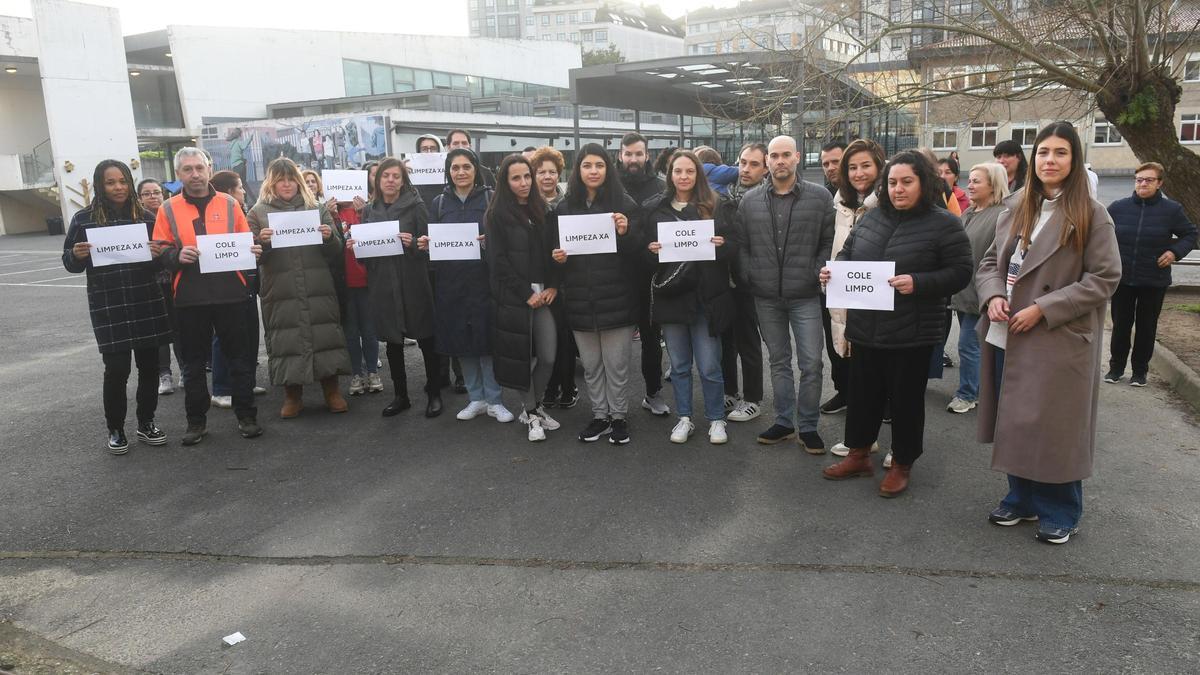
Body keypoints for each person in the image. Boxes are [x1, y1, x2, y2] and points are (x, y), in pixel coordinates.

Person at [976, 121, 1122, 544]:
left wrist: (1044, 307)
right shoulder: (1018, 206)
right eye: (1043, 152)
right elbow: (989, 264)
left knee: (1055, 427)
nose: (1050, 160)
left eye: (1060, 152)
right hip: (1008, 332)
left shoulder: (1092, 214)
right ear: (1031, 158)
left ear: (1074, 160)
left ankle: (1061, 509)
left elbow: (1105, 277)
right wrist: (991, 298)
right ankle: (1020, 498)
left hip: (1056, 337)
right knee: (1016, 419)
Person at [819, 150, 972, 496]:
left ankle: (902, 463)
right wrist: (834, 271)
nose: (898, 189)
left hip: (912, 331)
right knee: (862, 396)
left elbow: (961, 272)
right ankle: (858, 454)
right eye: (892, 182)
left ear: (923, 183)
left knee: (905, 402)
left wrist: (918, 282)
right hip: (867, 328)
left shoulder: (944, 223)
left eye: (907, 182)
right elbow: (847, 254)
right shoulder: (871, 218)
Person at [153, 147, 263, 445]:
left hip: (231, 294)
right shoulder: (168, 208)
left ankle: (246, 415)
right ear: (179, 174)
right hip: (190, 297)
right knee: (192, 364)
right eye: (187, 169)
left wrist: (254, 249)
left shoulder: (229, 203)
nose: (195, 174)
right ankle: (196, 422)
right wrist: (176, 255)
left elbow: (246, 241)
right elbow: (159, 248)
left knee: (240, 360)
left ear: (209, 168)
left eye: (199, 168)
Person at [64, 160, 172, 454]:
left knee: (149, 367)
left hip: (145, 301)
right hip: (108, 305)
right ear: (100, 185)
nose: (118, 187)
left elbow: (163, 261)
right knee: (116, 370)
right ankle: (115, 428)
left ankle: (146, 422)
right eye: (111, 182)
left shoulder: (147, 217)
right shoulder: (84, 220)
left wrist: (157, 254)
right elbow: (70, 262)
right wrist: (76, 254)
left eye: (123, 181)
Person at [735, 135, 834, 453]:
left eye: (785, 155)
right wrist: (751, 274)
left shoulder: (819, 198)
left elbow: (827, 241)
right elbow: (742, 246)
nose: (779, 160)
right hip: (766, 296)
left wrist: (813, 271)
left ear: (797, 157)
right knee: (778, 361)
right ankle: (784, 422)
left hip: (804, 294)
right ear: (767, 161)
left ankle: (808, 426)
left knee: (811, 364)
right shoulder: (749, 201)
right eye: (774, 155)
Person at [643, 150, 738, 444]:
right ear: (670, 175)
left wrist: (722, 245)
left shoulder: (716, 204)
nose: (683, 177)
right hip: (672, 296)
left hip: (706, 298)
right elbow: (643, 257)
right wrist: (652, 252)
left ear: (698, 174)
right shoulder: (655, 208)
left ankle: (716, 419)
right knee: (680, 365)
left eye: (689, 171)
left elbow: (734, 246)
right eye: (677, 171)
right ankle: (684, 417)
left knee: (710, 365)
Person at [248, 158, 351, 417]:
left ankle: (332, 390)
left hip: (318, 284)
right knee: (285, 339)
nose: (286, 184)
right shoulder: (257, 212)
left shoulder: (316, 207)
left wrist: (329, 237)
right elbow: (251, 255)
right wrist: (262, 242)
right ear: (271, 182)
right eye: (280, 179)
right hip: (279, 288)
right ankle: (292, 395)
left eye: (291, 178)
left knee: (325, 334)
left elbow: (337, 251)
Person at [552, 143, 640, 444]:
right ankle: (599, 416)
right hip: (579, 300)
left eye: (599, 165)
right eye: (587, 165)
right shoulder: (564, 208)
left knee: (616, 365)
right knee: (591, 366)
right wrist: (559, 259)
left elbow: (639, 254)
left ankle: (618, 417)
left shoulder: (624, 204)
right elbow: (557, 259)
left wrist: (627, 232)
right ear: (578, 170)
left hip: (618, 299)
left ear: (608, 169)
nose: (593, 171)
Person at [421, 148, 514, 423]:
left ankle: (495, 400)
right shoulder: (438, 203)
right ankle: (476, 398)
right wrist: (427, 245)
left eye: (466, 166)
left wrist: (490, 242)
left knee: (486, 342)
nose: (461, 172)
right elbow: (432, 241)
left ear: (476, 169)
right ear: (448, 172)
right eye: (455, 167)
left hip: (484, 281)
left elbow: (507, 235)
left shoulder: (491, 198)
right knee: (462, 343)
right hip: (451, 284)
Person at [350, 157, 444, 418]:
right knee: (392, 342)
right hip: (383, 285)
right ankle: (400, 396)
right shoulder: (369, 211)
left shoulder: (417, 206)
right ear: (377, 181)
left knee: (426, 338)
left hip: (413, 280)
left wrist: (413, 243)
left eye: (396, 176)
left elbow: (431, 246)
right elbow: (365, 257)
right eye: (385, 176)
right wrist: (357, 246)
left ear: (403, 180)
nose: (390, 180)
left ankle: (434, 392)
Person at [487, 155, 563, 441]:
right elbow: (498, 261)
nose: (523, 183)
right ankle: (531, 412)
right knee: (520, 359)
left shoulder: (543, 209)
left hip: (543, 293)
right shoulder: (496, 215)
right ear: (505, 182)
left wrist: (553, 285)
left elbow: (555, 252)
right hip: (515, 297)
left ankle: (535, 404)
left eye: (526, 177)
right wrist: (524, 293)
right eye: (516, 178)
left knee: (548, 355)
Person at [1105, 162, 1198, 386]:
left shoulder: (1171, 210)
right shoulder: (1118, 208)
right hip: (1123, 278)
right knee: (1120, 326)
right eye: (1139, 180)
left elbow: (1190, 235)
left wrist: (1174, 252)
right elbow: (1100, 234)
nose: (1143, 184)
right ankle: (1116, 368)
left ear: (1160, 183)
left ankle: (1139, 372)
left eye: (1149, 180)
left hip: (1154, 279)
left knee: (1146, 327)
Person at [824, 139, 886, 424]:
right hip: (843, 289)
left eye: (865, 166)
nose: (858, 173)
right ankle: (850, 403)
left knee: (874, 364)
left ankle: (878, 415)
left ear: (879, 167)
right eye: (852, 168)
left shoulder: (888, 203)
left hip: (876, 295)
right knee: (841, 347)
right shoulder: (840, 204)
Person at [947, 162, 1009, 414]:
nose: (968, 186)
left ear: (993, 185)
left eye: (976, 181)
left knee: (968, 344)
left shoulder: (1002, 215)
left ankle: (968, 394)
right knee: (977, 345)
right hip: (964, 292)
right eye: (969, 180)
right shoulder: (970, 212)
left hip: (983, 295)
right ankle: (985, 390)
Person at [617, 132, 671, 417]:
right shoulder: (609, 186)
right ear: (620, 155)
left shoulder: (660, 187)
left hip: (650, 275)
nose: (634, 159)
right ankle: (613, 402)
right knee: (617, 343)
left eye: (639, 153)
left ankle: (653, 392)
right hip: (616, 276)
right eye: (629, 154)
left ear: (647, 155)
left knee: (651, 339)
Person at [208, 170, 267, 408]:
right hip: (225, 285)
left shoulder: (241, 212)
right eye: (240, 187)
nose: (244, 191)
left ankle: (247, 381)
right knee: (224, 338)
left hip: (248, 282)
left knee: (250, 333)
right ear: (229, 192)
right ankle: (221, 388)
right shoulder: (217, 215)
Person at [722, 142, 768, 423]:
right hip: (725, 281)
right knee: (725, 340)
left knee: (748, 341)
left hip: (750, 282)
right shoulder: (725, 195)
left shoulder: (766, 199)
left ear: (765, 169)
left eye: (753, 164)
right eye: (742, 162)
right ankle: (730, 391)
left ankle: (752, 399)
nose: (746, 169)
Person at [530, 145, 577, 408]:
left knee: (565, 338)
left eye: (552, 172)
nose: (547, 177)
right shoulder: (526, 205)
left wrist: (557, 283)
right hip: (537, 281)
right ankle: (549, 387)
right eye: (541, 172)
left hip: (565, 282)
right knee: (544, 342)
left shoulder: (568, 204)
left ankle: (568, 386)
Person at [138, 178, 182, 396]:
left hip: (175, 280)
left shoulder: (172, 215)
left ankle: (185, 369)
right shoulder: (137, 221)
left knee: (180, 327)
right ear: (139, 198)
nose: (153, 196)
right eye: (147, 193)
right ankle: (164, 374)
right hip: (151, 283)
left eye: (156, 192)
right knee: (159, 332)